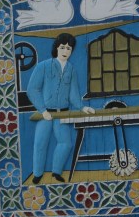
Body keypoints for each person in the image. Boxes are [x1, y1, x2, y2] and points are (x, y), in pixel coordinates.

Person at [27, 32, 95, 183]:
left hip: (62, 114)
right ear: (56, 48)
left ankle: (56, 172)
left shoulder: (71, 69)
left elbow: (73, 94)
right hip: (45, 114)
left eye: (69, 48)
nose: (65, 51)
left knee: (66, 144)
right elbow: (32, 89)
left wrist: (82, 108)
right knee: (40, 143)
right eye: (63, 47)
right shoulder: (43, 66)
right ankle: (37, 174)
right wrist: (43, 110)